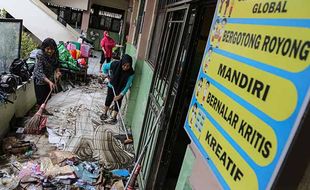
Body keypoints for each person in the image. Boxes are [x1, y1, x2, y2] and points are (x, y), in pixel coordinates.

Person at [100, 54, 134, 124]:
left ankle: (113, 117)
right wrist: (107, 76)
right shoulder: (115, 64)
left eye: (128, 66)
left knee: (118, 102)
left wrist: (120, 95)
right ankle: (105, 113)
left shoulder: (131, 73)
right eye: (124, 65)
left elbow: (127, 85)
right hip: (112, 85)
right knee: (109, 98)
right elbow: (104, 67)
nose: (125, 67)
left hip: (121, 88)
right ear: (121, 63)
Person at [33, 38, 61, 112]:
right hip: (40, 80)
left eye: (52, 49)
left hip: (49, 78)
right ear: (43, 48)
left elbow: (57, 63)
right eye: (47, 49)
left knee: (48, 98)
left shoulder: (55, 53)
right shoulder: (40, 55)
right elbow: (39, 72)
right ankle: (39, 114)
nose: (50, 51)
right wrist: (49, 82)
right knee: (41, 100)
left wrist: (58, 71)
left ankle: (44, 112)